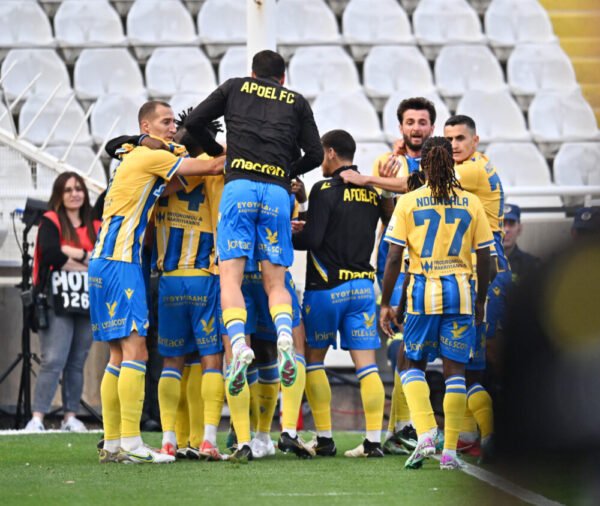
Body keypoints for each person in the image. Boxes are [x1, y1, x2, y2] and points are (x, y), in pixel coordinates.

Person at [184, 49, 323, 460]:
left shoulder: (233, 87)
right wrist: (285, 168)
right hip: (278, 191)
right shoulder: (296, 100)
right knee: (276, 280)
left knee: (231, 277)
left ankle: (240, 341)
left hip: (240, 185)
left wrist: (218, 152)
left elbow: (192, 123)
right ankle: (284, 334)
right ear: (283, 78)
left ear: (253, 74)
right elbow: (315, 155)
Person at [90, 100, 225, 464]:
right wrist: (254, 150)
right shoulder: (151, 157)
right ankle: (133, 443)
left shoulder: (135, 155)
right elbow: (213, 165)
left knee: (118, 354)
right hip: (121, 261)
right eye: (164, 122)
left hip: (103, 261)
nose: (170, 127)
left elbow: (169, 185)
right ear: (146, 127)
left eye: (172, 122)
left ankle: (115, 442)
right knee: (137, 351)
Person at [380, 136, 493, 470]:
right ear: (451, 163)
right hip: (461, 294)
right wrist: (481, 299)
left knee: (411, 364)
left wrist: (387, 302)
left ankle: (426, 432)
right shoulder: (471, 202)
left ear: (423, 164)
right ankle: (449, 453)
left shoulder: (409, 202)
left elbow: (393, 257)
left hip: (421, 294)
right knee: (455, 371)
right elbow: (486, 256)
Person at [294, 129, 390, 458]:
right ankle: (373, 441)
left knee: (314, 363)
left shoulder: (325, 188)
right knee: (368, 368)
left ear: (331, 153)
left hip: (326, 289)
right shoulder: (372, 190)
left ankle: (324, 440)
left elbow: (314, 239)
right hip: (363, 287)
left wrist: (286, 234)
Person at [24, 172, 101, 433]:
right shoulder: (51, 220)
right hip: (56, 302)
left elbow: (99, 260)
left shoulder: (95, 223)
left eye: (78, 188)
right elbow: (51, 255)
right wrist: (83, 257)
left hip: (88, 300)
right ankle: (37, 418)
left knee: (77, 360)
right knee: (54, 359)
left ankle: (70, 416)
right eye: (68, 190)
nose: (74, 194)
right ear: (59, 194)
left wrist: (71, 254)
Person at [502, 203, 540, 283]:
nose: (506, 230)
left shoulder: (530, 265)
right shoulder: (480, 263)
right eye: (502, 224)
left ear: (519, 229)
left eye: (511, 224)